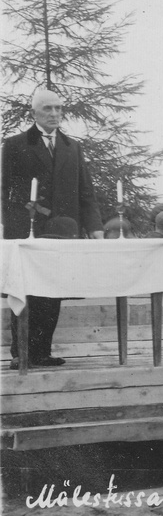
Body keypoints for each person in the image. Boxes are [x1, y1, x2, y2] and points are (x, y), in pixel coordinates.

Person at [1, 88, 103, 241]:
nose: (54, 113)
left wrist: (94, 226)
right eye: (47, 108)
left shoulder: (73, 147)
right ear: (33, 113)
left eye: (58, 108)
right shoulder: (14, 145)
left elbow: (86, 192)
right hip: (27, 234)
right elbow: (4, 191)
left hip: (68, 231)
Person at [7, 216, 81, 370]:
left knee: (51, 297)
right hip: (28, 240)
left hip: (55, 243)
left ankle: (41, 353)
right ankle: (20, 354)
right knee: (25, 296)